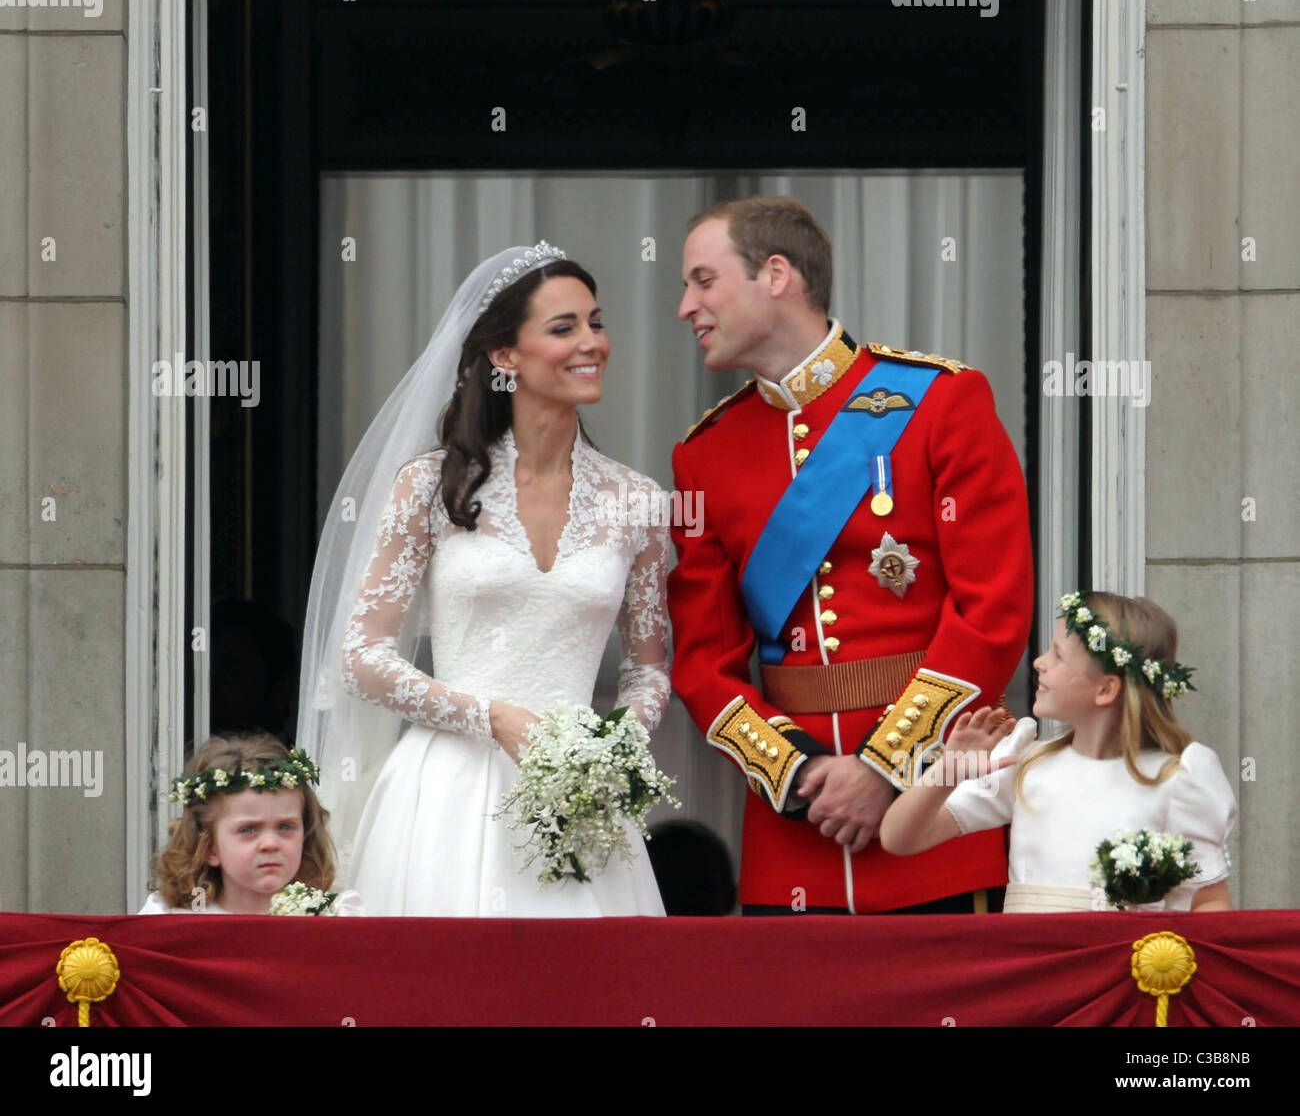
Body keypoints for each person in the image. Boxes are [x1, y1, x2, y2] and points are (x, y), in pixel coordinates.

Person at [668, 197, 1033, 914]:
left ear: (777, 275)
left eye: (704, 280)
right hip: (795, 830)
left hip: (934, 818)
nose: (687, 305)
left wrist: (886, 768)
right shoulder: (704, 453)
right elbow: (702, 662)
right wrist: (800, 774)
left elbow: (992, 612)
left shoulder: (939, 401)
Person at [297, 243, 669, 917]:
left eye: (596, 322)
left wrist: (611, 746)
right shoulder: (431, 484)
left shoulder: (637, 501)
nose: (593, 342)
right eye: (564, 328)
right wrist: (490, 717)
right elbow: (360, 657)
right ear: (505, 357)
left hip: (582, 804)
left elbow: (650, 671)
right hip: (445, 793)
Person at [881, 591, 1237, 912]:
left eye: (1058, 655)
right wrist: (948, 772)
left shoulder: (1175, 779)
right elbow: (899, 838)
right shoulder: (1024, 762)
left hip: (1123, 975)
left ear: (1106, 690)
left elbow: (1209, 902)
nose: (1039, 661)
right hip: (1030, 970)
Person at [138, 732, 362, 915]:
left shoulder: (334, 916)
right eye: (248, 829)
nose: (270, 844)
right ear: (209, 847)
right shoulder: (171, 919)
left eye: (285, 827)